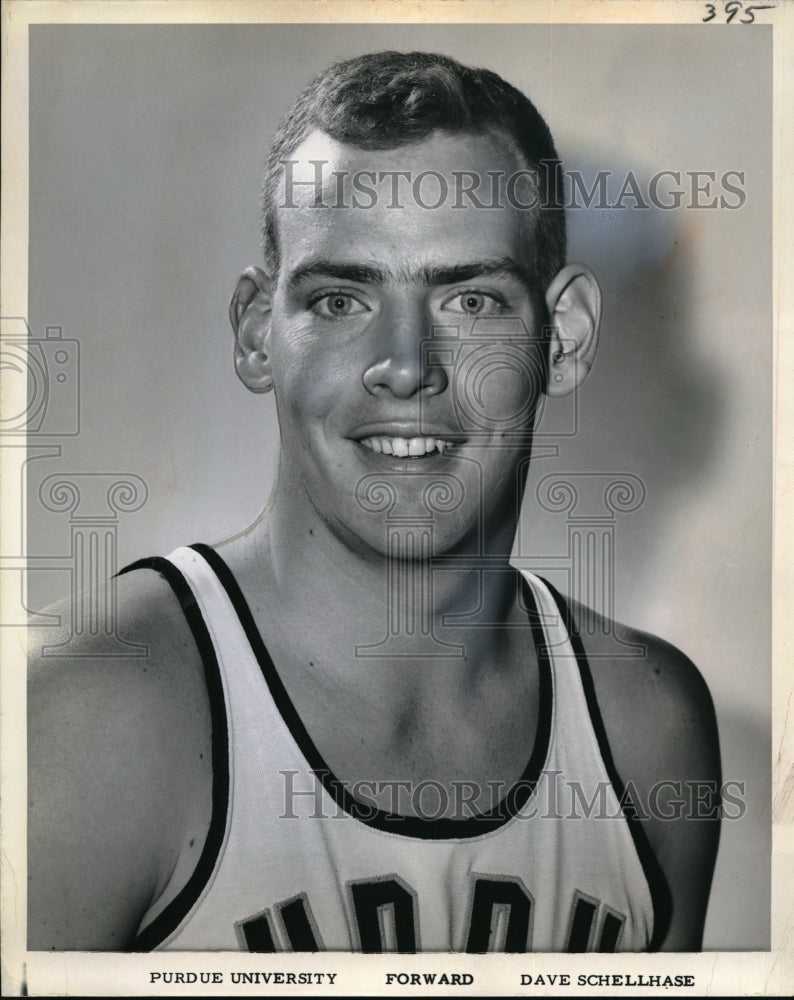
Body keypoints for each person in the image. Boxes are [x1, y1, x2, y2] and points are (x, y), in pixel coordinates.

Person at [28, 50, 721, 953]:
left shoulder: (649, 727)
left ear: (566, 337)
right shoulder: (95, 717)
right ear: (256, 333)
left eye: (471, 300)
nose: (406, 367)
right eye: (342, 298)